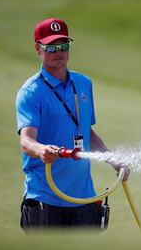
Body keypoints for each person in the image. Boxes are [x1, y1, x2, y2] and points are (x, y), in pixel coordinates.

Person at [16, 18, 129, 231]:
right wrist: (42, 150)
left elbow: (86, 132)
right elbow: (26, 141)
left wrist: (113, 160)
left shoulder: (84, 84)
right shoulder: (30, 92)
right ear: (38, 49)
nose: (58, 52)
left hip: (83, 198)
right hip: (46, 197)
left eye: (63, 46)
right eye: (51, 47)